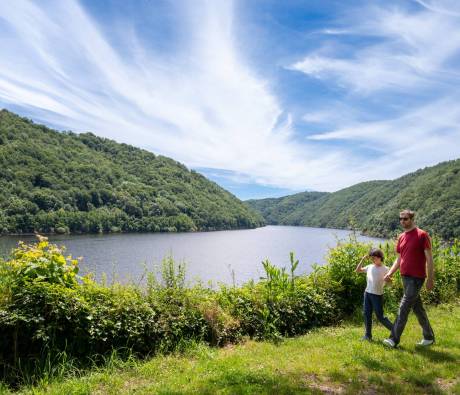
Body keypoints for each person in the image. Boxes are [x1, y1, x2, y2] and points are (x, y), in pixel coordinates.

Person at [383, 209, 435, 348]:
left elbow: (429, 259)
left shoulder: (422, 235)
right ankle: (429, 337)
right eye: (401, 219)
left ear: (412, 219)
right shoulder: (401, 237)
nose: (402, 221)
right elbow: (399, 259)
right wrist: (390, 273)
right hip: (404, 277)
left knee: (404, 307)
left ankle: (393, 339)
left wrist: (430, 279)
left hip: (417, 278)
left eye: (405, 219)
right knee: (418, 308)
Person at [355, 248, 393, 341]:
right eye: (372, 258)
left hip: (377, 296)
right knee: (367, 314)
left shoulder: (386, 269)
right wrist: (362, 260)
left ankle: (395, 331)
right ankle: (368, 336)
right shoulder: (369, 267)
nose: (373, 260)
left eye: (374, 258)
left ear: (380, 257)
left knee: (380, 316)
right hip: (367, 294)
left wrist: (389, 281)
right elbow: (357, 270)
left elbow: (390, 284)